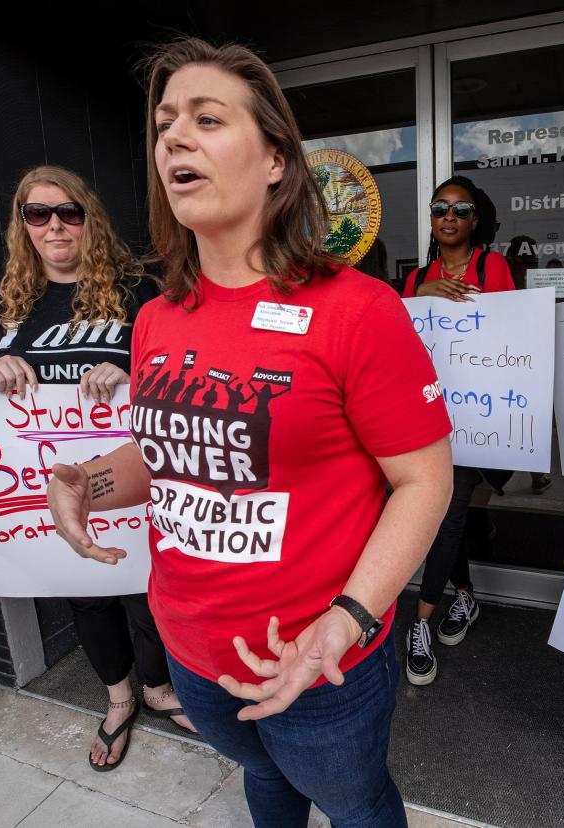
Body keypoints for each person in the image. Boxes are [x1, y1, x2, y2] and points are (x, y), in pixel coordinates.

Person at [46, 38, 453, 826]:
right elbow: (172, 454)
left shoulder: (357, 309)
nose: (174, 138)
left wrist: (349, 620)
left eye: (206, 118)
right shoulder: (159, 317)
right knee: (262, 780)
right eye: (164, 124)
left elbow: (424, 479)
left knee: (354, 802)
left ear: (275, 160)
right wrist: (87, 483)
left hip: (318, 659)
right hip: (191, 650)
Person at [0, 165, 193, 771]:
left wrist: (138, 379)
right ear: (22, 226)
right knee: (86, 597)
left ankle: (158, 689)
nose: (55, 225)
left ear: (90, 217)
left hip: (137, 483)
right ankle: (118, 700)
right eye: (38, 214)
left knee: (148, 593)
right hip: (47, 488)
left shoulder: (141, 293)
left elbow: (190, 383)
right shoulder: (1, 308)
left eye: (69, 212)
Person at [400, 176, 514, 685]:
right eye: (439, 208)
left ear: (474, 221)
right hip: (426, 416)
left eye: (460, 209)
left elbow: (513, 330)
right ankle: (465, 596)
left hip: (477, 415)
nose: (449, 216)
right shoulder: (416, 277)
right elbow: (397, 342)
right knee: (453, 514)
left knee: (446, 517)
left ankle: (420, 621)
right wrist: (422, 297)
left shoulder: (494, 267)